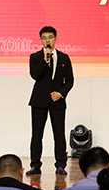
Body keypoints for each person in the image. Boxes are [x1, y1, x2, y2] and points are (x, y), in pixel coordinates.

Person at [27, 26, 74, 176]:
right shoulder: (35, 57)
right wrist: (45, 60)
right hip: (39, 101)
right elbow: (35, 75)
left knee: (59, 134)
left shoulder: (64, 58)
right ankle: (35, 165)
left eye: (50, 37)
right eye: (44, 38)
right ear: (41, 40)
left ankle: (60, 165)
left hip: (57, 101)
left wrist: (61, 94)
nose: (47, 40)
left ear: (55, 38)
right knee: (37, 135)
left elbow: (70, 81)